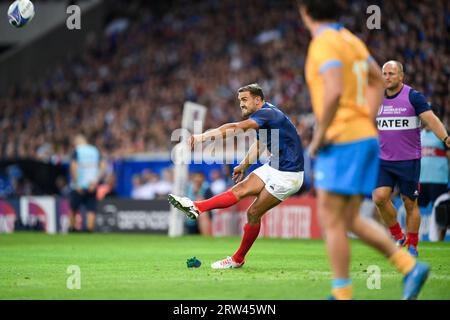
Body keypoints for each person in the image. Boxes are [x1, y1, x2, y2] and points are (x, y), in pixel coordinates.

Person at [297, 0, 429, 300]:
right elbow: (373, 78)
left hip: (341, 139)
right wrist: (366, 118)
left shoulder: (323, 43)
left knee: (330, 219)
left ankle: (342, 293)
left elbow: (332, 91)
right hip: (363, 136)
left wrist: (320, 137)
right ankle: (409, 266)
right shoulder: (350, 39)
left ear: (304, 12)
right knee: (349, 219)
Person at [168, 83, 304, 269]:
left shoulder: (268, 114)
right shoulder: (266, 115)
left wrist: (202, 137)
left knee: (253, 213)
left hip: (288, 175)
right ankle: (196, 207)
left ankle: (238, 258)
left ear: (258, 100)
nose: (241, 104)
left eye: (245, 99)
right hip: (274, 166)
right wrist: (244, 165)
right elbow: (261, 143)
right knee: (239, 190)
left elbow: (236, 127)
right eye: (240, 100)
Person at [373, 61, 450, 257]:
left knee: (409, 203)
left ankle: (413, 245)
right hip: (384, 160)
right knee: (379, 198)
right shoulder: (376, 99)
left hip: (408, 160)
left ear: (401, 76)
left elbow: (431, 119)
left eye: (392, 73)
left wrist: (446, 138)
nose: (387, 77)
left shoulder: (413, 97)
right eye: (384, 73)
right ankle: (399, 236)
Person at [69, 134, 106, 232]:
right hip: (92, 185)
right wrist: (96, 181)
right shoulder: (95, 150)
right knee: (91, 209)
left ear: (77, 143)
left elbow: (73, 167)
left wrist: (77, 183)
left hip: (79, 186)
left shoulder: (77, 151)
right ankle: (89, 231)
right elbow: (103, 166)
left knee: (73, 208)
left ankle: (72, 229)